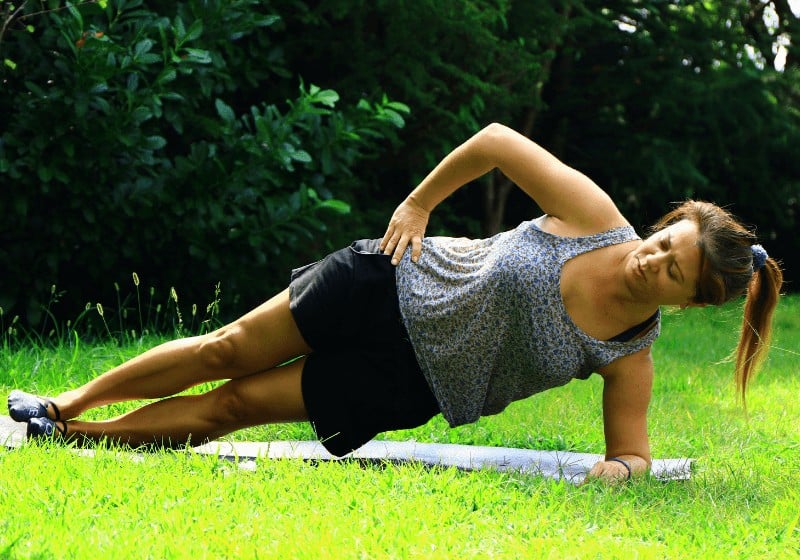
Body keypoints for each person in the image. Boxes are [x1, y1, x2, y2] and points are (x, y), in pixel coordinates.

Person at [7, 123, 783, 482]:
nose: (654, 261)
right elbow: (495, 141)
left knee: (232, 408)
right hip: (390, 281)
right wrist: (417, 204)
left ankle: (85, 439)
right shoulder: (593, 217)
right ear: (666, 226)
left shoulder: (628, 355)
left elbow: (634, 455)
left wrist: (624, 475)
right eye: (666, 242)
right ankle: (63, 403)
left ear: (688, 300)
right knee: (224, 350)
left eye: (674, 273)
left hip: (407, 383)